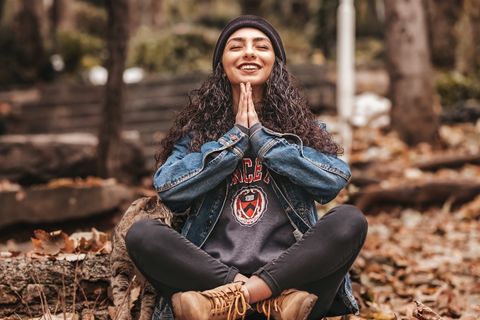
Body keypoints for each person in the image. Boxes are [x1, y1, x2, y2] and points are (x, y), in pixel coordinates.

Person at [125, 15, 368, 320]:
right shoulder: (197, 135)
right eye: (236, 46)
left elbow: (334, 179)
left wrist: (264, 142)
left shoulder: (304, 130)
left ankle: (245, 296)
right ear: (222, 65)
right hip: (210, 283)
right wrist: (235, 140)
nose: (249, 52)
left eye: (261, 46)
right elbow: (169, 188)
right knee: (143, 234)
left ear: (274, 63)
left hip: (294, 293)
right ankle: (249, 296)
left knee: (350, 220)